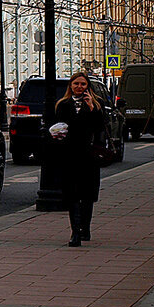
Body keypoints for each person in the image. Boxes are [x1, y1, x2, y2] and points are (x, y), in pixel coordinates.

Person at [53, 70, 107, 247]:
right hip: (70, 155)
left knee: (88, 195)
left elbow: (100, 127)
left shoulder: (96, 104)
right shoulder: (63, 104)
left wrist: (91, 108)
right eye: (76, 84)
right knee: (72, 195)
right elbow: (58, 126)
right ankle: (75, 232)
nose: (79, 87)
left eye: (83, 84)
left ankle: (85, 228)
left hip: (89, 156)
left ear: (88, 86)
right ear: (71, 85)